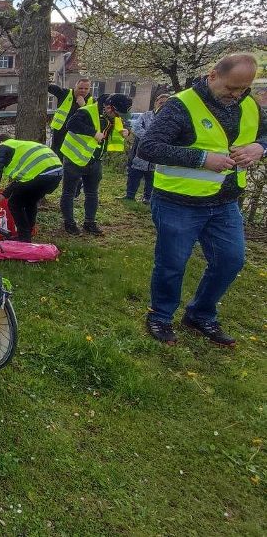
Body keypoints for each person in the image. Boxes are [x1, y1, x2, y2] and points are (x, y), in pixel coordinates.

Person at [138, 54, 267, 346]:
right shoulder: (181, 105)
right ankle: (160, 316)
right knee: (172, 264)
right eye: (231, 88)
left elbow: (264, 134)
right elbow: (148, 147)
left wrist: (260, 147)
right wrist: (200, 159)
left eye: (243, 89)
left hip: (225, 202)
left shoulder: (248, 104)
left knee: (230, 260)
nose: (236, 95)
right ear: (212, 75)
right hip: (178, 202)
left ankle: (200, 314)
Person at [59, 93, 134, 235]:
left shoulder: (114, 115)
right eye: (117, 114)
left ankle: (90, 223)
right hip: (74, 159)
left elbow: (121, 125)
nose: (119, 117)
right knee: (69, 193)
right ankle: (69, 223)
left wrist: (126, 130)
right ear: (110, 108)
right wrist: (93, 132)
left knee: (92, 193)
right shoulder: (87, 111)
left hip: (95, 160)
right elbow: (71, 124)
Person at [0, 135, 63, 242]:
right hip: (56, 173)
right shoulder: (21, 146)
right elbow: (21, 181)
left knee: (14, 203)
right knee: (30, 202)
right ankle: (28, 233)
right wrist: (1, 197)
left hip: (41, 173)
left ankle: (24, 238)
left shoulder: (1, 146)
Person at [123, 92, 171, 203]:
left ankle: (147, 197)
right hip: (141, 152)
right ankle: (130, 195)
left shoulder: (170, 119)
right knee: (134, 174)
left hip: (158, 155)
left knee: (151, 178)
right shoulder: (146, 115)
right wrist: (150, 138)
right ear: (156, 103)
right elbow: (136, 127)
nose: (163, 105)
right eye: (161, 103)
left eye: (166, 103)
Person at [48, 77, 94, 159]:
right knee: (56, 155)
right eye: (80, 88)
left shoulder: (92, 101)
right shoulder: (65, 93)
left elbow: (92, 120)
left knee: (70, 157)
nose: (83, 90)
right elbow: (49, 87)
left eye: (86, 89)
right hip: (60, 131)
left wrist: (83, 106)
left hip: (77, 135)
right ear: (75, 87)